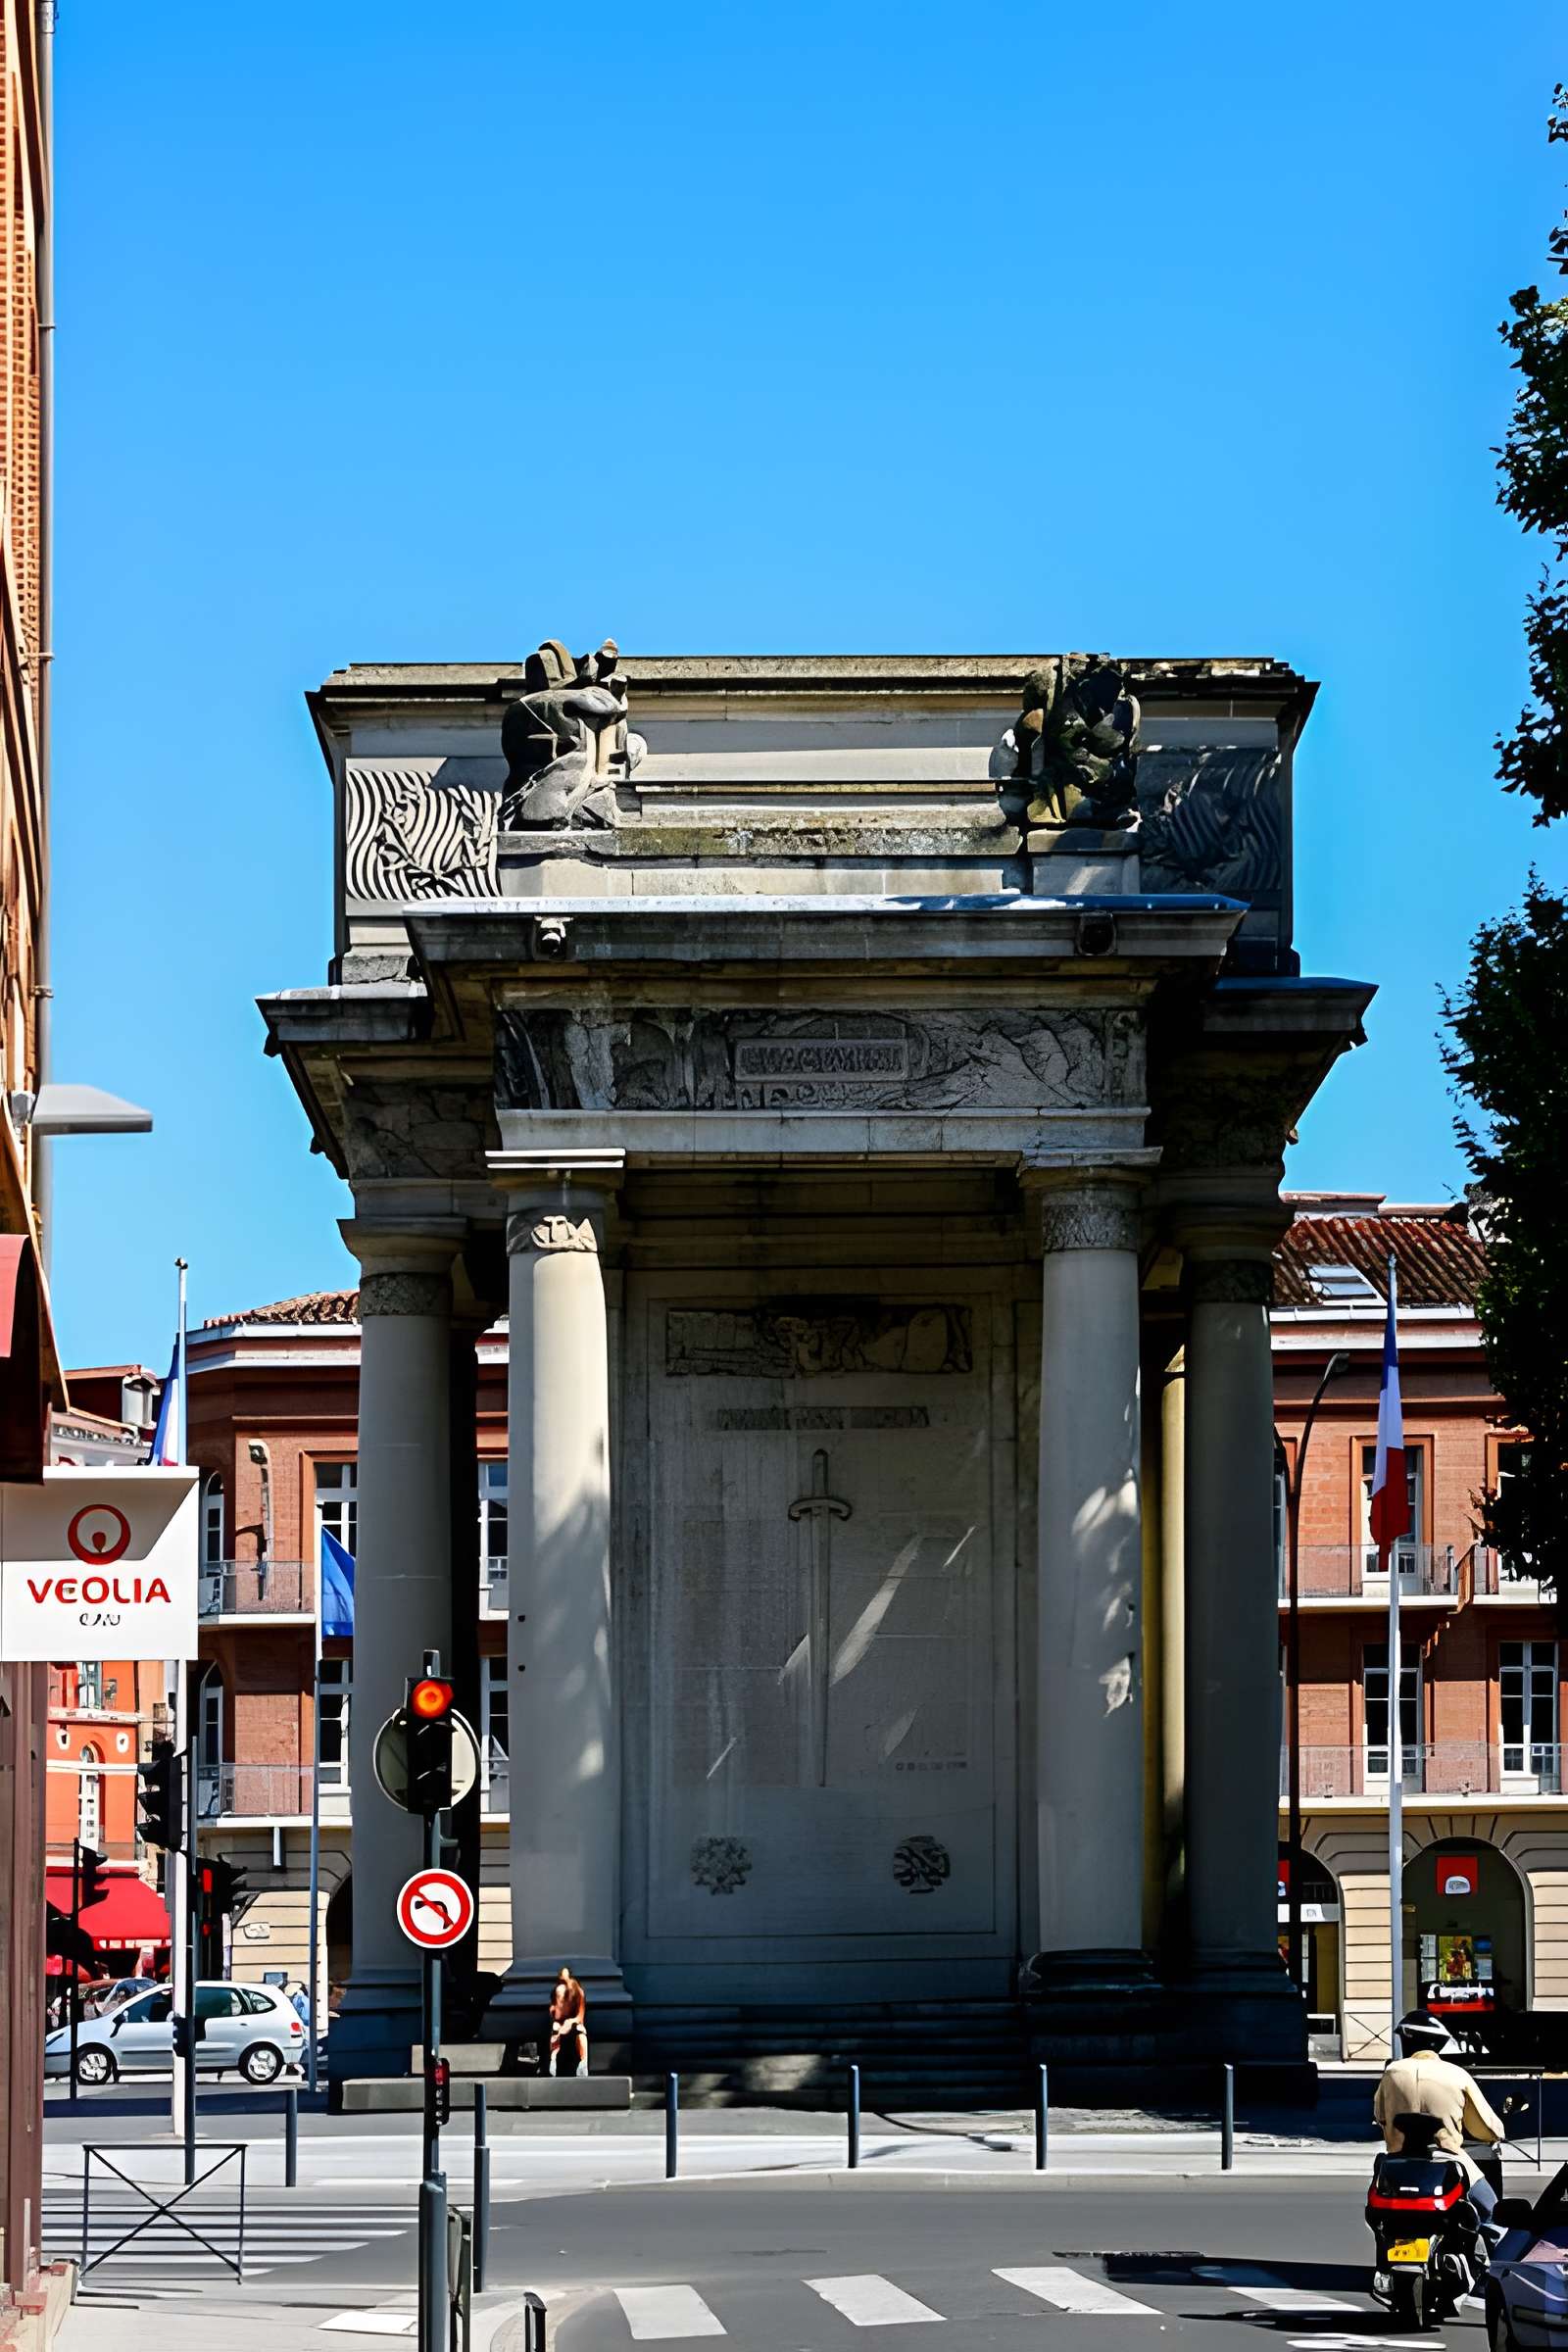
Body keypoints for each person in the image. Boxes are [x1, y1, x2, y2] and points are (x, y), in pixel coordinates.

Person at [1374, 2009, 1506, 2217]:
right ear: (1438, 2044)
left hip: (1397, 2165)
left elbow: (1380, 2116)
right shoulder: (1456, 2074)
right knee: (1493, 2213)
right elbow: (1485, 2128)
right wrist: (1497, 2133)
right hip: (1446, 2160)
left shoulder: (1391, 2073)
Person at [547, 1966, 587, 2079]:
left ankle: (583, 2064)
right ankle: (553, 2061)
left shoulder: (578, 1991)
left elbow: (580, 2015)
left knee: (581, 2034)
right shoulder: (557, 1990)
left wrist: (570, 2022)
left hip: (574, 2022)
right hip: (560, 2023)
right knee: (554, 2032)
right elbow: (554, 2011)